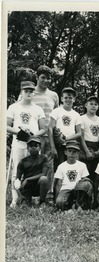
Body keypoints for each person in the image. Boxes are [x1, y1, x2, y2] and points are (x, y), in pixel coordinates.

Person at [18, 65, 60, 204]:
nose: (46, 80)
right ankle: (23, 195)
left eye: (48, 78)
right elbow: (20, 110)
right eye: (43, 77)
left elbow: (56, 116)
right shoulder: (29, 92)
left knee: (48, 166)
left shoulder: (53, 95)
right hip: (32, 136)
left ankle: (48, 196)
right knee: (29, 164)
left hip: (48, 136)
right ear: (37, 77)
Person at [7, 81, 46, 207]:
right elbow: (6, 126)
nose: (29, 93)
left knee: (34, 171)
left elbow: (43, 129)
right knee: (16, 172)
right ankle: (15, 198)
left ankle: (30, 198)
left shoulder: (38, 109)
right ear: (21, 92)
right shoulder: (14, 107)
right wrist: (20, 132)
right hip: (19, 143)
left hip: (33, 145)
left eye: (31, 91)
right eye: (26, 91)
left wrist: (33, 135)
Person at [48, 87, 81, 171]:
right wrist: (52, 147)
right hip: (58, 145)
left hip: (71, 145)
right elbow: (50, 128)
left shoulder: (76, 114)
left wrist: (66, 138)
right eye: (66, 97)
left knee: (71, 168)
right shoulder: (56, 111)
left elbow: (79, 133)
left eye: (70, 98)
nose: (68, 100)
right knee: (58, 169)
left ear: (74, 99)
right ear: (62, 98)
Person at [54, 140, 93, 211]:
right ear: (65, 152)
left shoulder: (82, 165)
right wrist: (57, 198)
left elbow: (85, 180)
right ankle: (70, 204)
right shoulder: (61, 166)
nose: (71, 153)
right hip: (66, 189)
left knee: (87, 183)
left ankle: (79, 204)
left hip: (78, 190)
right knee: (60, 203)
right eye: (69, 151)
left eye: (74, 152)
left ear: (78, 153)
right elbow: (58, 184)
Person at [14, 137, 49, 206]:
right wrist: (19, 194)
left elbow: (44, 173)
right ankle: (25, 199)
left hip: (38, 185)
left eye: (36, 145)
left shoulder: (44, 158)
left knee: (44, 179)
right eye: (31, 146)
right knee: (25, 206)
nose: (33, 148)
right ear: (27, 148)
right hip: (27, 187)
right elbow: (17, 179)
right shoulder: (23, 162)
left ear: (40, 148)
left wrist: (27, 179)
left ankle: (42, 202)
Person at [79, 96, 99, 180]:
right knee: (85, 174)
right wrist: (86, 151)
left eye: (95, 104)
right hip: (85, 145)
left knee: (95, 174)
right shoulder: (82, 118)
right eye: (91, 104)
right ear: (86, 105)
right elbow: (81, 136)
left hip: (97, 147)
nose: (93, 106)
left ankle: (94, 192)